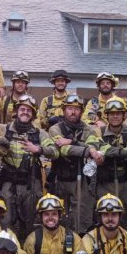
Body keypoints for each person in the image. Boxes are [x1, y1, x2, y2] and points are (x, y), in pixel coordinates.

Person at [41, 93, 103, 234]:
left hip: (80, 180)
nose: (73, 112)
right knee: (58, 216)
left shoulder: (89, 129)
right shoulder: (55, 129)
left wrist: (73, 141)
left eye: (76, 109)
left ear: (81, 111)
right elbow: (62, 149)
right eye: (69, 108)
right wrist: (86, 150)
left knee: (82, 217)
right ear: (64, 110)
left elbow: (94, 146)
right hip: (59, 180)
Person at [0, 95, 46, 240]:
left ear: (33, 115)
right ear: (16, 111)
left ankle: (28, 252)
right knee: (5, 221)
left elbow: (54, 151)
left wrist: (38, 149)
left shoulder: (40, 133)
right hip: (8, 183)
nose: (25, 112)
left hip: (30, 184)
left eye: (29, 111)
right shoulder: (3, 129)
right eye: (22, 109)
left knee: (29, 223)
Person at [95, 97, 127, 225]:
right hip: (104, 182)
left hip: (124, 181)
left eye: (118, 113)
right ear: (106, 116)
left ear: (124, 115)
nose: (115, 117)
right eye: (112, 114)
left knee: (123, 215)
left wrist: (109, 152)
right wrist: (121, 152)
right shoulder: (99, 131)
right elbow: (99, 148)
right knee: (103, 213)